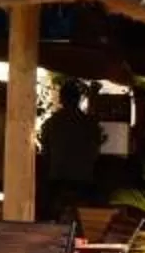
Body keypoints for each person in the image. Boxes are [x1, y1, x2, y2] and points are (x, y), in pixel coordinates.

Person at [37, 79, 102, 217]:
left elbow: (45, 154)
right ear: (79, 99)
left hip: (58, 181)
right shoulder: (89, 123)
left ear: (61, 99)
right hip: (83, 181)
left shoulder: (51, 123)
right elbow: (95, 152)